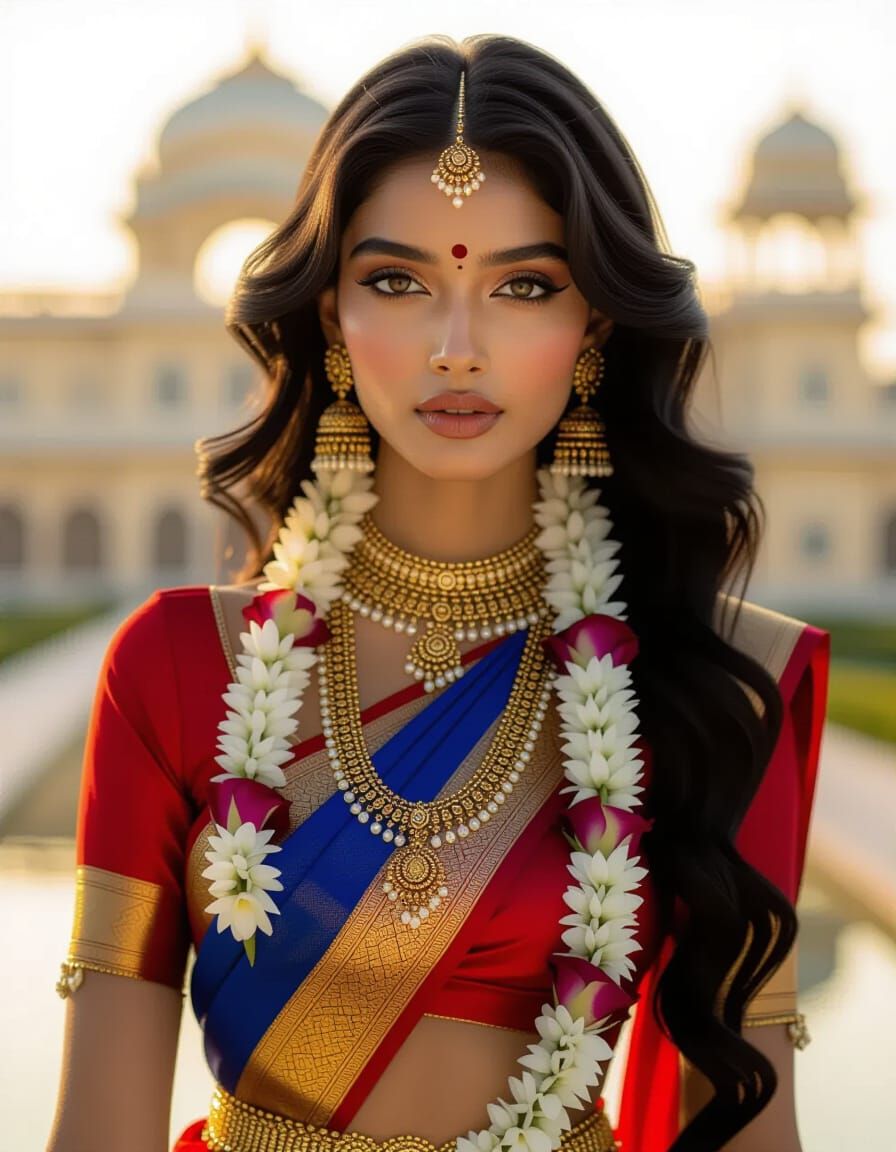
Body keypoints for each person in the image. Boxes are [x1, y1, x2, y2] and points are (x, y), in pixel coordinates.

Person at [46, 33, 830, 1152]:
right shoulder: (178, 670)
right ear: (329, 312)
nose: (456, 348)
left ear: (594, 324)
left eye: (521, 285)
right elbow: (97, 1132)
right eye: (398, 281)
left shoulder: (716, 684)